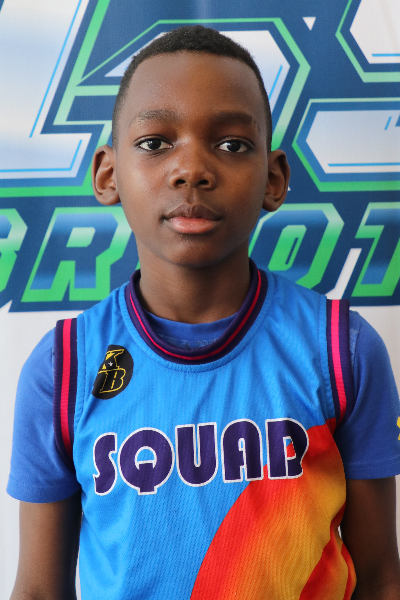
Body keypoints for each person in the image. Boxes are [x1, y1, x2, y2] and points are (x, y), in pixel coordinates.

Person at [7, 25, 400, 600]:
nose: (191, 169)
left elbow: (381, 578)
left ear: (274, 179)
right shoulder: (64, 369)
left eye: (232, 144)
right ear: (108, 175)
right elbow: (39, 592)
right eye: (155, 143)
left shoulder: (340, 350)